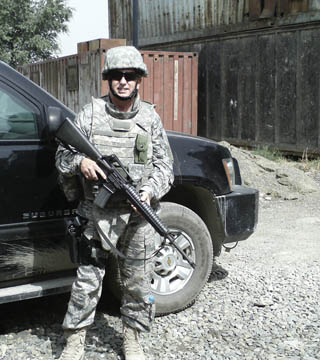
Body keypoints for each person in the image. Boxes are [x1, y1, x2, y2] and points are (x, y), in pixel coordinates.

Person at [55, 45, 174, 360]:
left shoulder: (150, 118)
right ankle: (75, 340)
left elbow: (165, 168)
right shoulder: (90, 114)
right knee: (87, 281)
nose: (123, 81)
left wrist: (148, 191)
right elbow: (63, 153)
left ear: (138, 80)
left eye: (130, 75)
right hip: (97, 213)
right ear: (108, 79)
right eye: (117, 75)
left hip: (138, 217)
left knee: (137, 283)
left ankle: (133, 339)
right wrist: (80, 162)